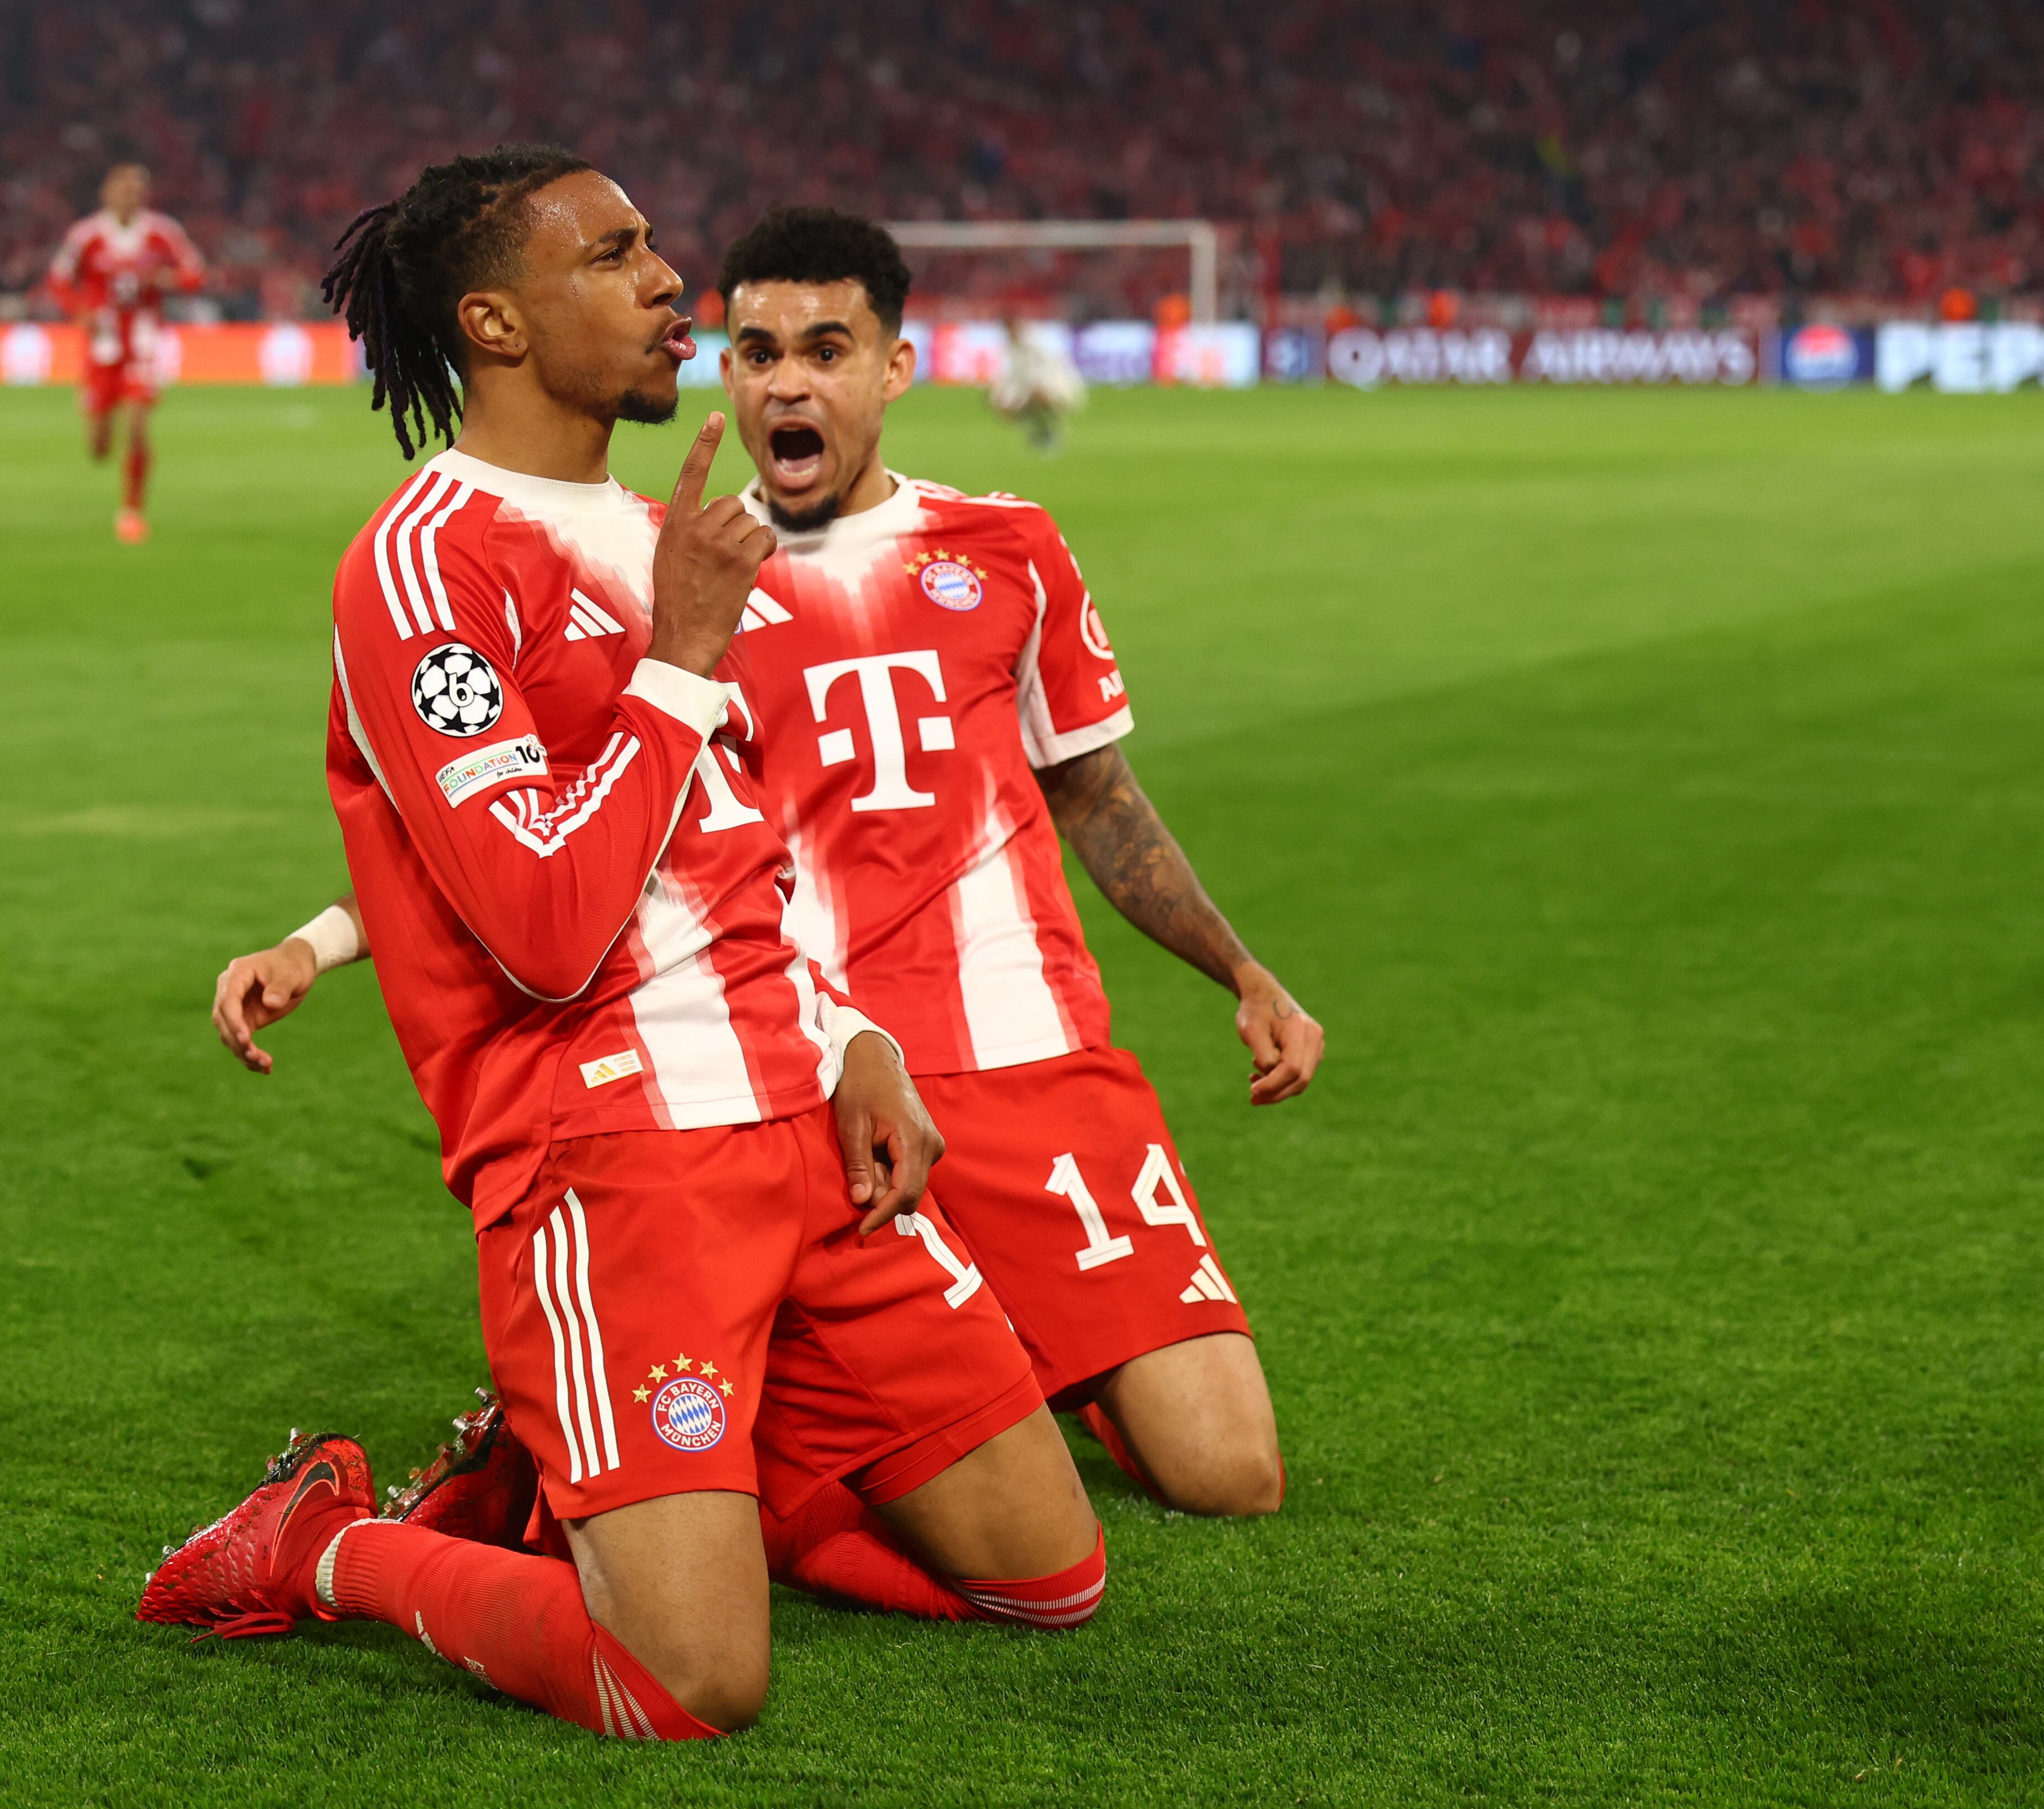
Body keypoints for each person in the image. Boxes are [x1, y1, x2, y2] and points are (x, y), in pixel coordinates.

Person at [139, 146, 1108, 1741]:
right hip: (613, 1153)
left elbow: (742, 855)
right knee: (684, 1683)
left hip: (805, 1124)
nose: (671, 282)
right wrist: (677, 660)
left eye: (656, 248)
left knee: (1045, 1578)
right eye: (615, 256)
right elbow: (536, 925)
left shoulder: (673, 537)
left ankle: (620, 1474)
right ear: (497, 324)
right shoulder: (428, 560)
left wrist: (858, 1041)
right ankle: (332, 1549)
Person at [218, 207, 1324, 1542]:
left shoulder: (1003, 546)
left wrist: (1242, 965)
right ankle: (576, 1450)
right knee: (746, 1510)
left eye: (824, 348)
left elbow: (1093, 792)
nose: (787, 380)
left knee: (1219, 1474)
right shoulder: (676, 570)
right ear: (726, 375)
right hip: (801, 1079)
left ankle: (941, 1381)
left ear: (890, 368)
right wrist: (323, 939)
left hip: (1008, 1061)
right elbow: (562, 831)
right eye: (754, 350)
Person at [44, 162, 202, 544]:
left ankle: (131, 512)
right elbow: (59, 281)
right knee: (98, 447)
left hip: (143, 344)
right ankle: (105, 440)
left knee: (136, 427)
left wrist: (166, 279)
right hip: (103, 347)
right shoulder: (86, 236)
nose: (129, 195)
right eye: (122, 188)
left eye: (136, 190)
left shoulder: (162, 233)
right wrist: (80, 313)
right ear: (106, 194)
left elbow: (194, 274)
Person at [987, 312, 1085, 452]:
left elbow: (1050, 370)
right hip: (1030, 388)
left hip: (1056, 385)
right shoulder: (1012, 347)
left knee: (1038, 398)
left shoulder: (1038, 343)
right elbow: (1011, 375)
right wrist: (1000, 396)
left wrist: (1036, 390)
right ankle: (1038, 429)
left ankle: (1051, 429)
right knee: (1007, 406)